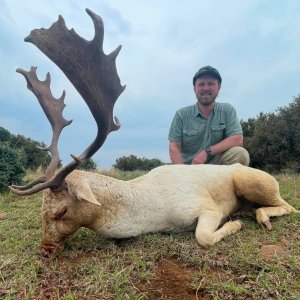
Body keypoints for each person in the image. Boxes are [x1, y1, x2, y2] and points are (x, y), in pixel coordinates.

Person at [168, 65, 250, 166]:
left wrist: (207, 151)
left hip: (218, 171)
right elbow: (173, 147)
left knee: (241, 154)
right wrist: (182, 173)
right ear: (194, 88)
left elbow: (237, 139)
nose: (206, 88)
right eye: (201, 84)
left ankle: (225, 182)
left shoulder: (227, 110)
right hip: (189, 171)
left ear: (219, 87)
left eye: (211, 84)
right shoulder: (181, 114)